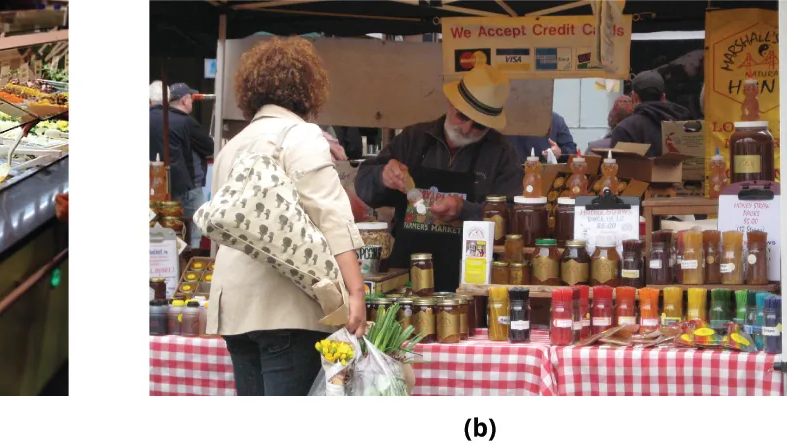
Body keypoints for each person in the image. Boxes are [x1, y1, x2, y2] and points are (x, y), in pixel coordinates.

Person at [207, 36, 366, 396]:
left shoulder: (232, 145)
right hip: (288, 306)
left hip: (233, 307)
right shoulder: (302, 135)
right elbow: (331, 216)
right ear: (308, 89)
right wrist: (356, 293)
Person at [354, 63, 523, 293]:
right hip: (406, 276)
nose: (466, 128)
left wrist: (466, 211)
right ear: (451, 103)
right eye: (462, 116)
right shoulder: (413, 139)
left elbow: (513, 215)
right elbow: (364, 187)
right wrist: (382, 176)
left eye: (479, 126)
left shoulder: (501, 154)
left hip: (469, 281)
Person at [148, 82, 214, 244]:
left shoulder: (152, 118)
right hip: (187, 186)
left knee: (167, 232)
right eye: (190, 98)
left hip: (158, 186)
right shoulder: (184, 121)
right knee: (195, 229)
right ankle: (189, 261)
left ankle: (172, 263)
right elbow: (209, 147)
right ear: (185, 100)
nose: (192, 101)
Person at [608, 70, 691, 157]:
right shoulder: (685, 124)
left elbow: (620, 168)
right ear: (663, 97)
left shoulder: (624, 129)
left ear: (634, 97)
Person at [506, 111, 577, 160]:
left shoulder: (555, 120)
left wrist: (560, 153)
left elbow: (572, 151)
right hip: (510, 177)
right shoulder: (501, 120)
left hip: (544, 176)